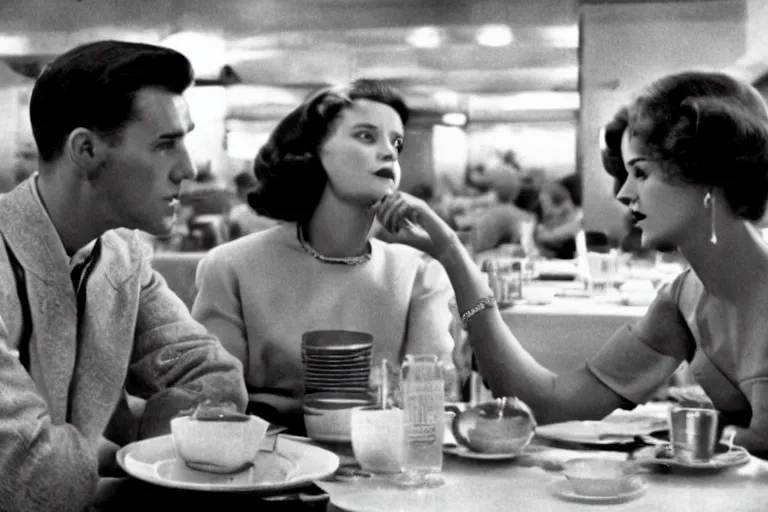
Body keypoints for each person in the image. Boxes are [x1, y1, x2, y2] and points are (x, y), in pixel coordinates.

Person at [375, 70, 768, 457]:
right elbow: (552, 404)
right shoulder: (684, 299)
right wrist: (450, 253)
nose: (625, 193)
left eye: (641, 173)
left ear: (707, 175)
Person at [0, 40, 248, 511]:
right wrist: (135, 453)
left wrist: (130, 439)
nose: (189, 169)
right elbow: (22, 471)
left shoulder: (121, 255)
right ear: (86, 149)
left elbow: (216, 380)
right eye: (164, 144)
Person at [192, 79, 454, 432]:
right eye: (366, 136)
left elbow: (425, 412)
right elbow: (215, 406)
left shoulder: (419, 275)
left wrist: (446, 246)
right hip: (263, 465)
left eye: (396, 143)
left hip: (379, 467)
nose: (390, 152)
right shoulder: (230, 267)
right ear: (313, 152)